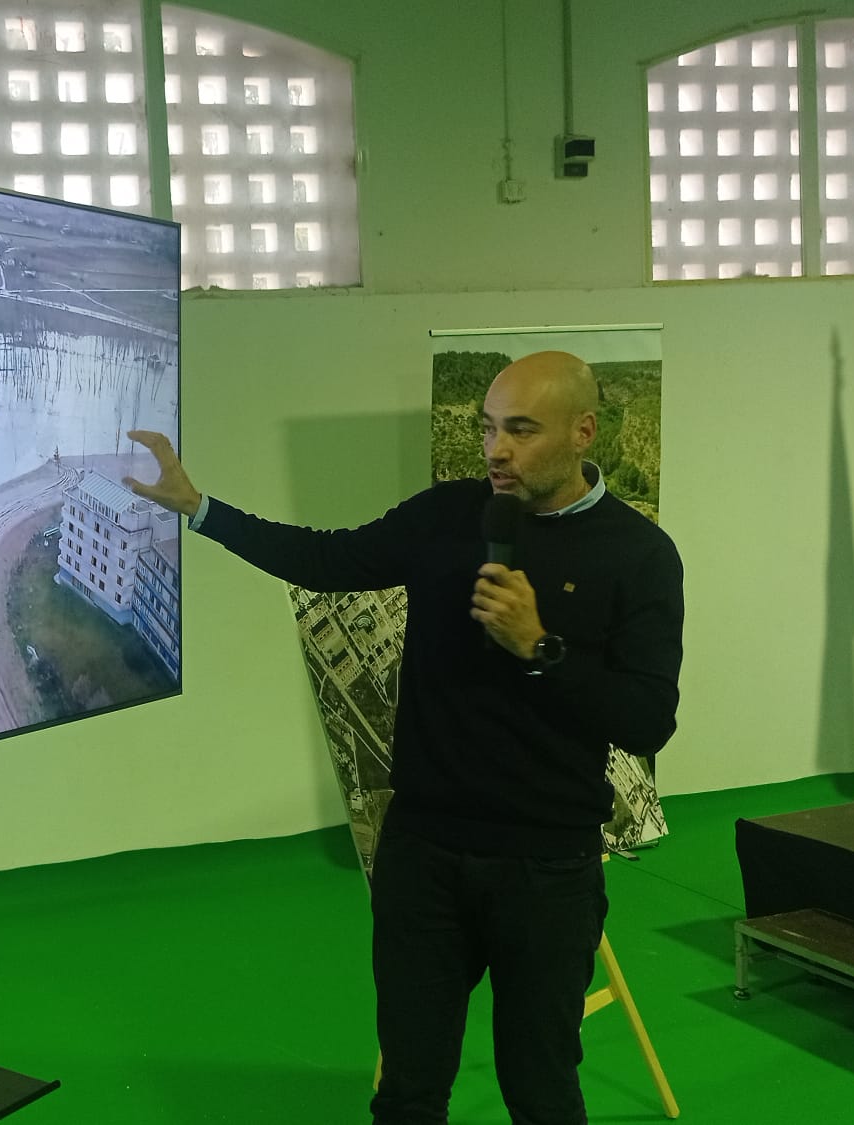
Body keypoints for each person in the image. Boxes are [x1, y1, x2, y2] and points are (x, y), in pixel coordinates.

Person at [124, 351, 684, 1125]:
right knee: (410, 1090)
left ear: (583, 430)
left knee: (541, 1087)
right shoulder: (448, 516)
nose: (496, 450)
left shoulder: (639, 556)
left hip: (547, 867)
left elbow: (647, 717)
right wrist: (202, 509)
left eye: (520, 430)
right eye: (489, 428)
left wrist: (540, 646)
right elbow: (326, 559)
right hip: (424, 855)